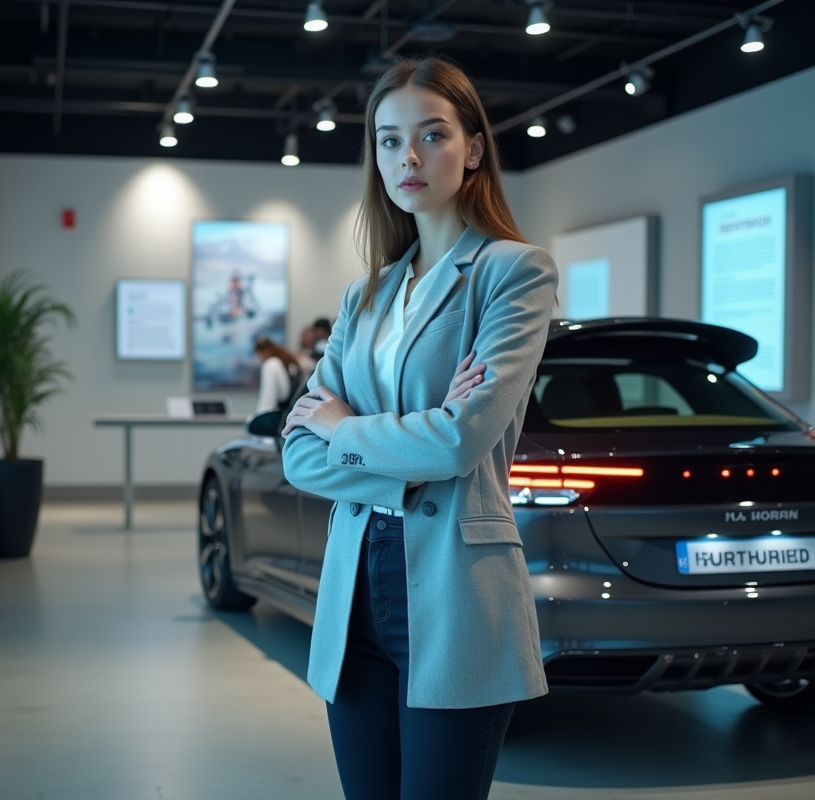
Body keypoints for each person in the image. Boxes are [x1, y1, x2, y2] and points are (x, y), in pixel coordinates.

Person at [281, 56, 557, 800]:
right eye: (388, 139)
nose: (408, 157)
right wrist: (390, 434)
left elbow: (463, 440)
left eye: (432, 135)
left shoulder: (514, 272)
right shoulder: (364, 296)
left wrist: (345, 422)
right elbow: (299, 454)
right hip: (355, 591)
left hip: (456, 588)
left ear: (472, 148)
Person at [254, 337, 302, 415]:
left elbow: (269, 397)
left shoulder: (270, 364)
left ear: (261, 352)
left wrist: (259, 417)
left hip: (279, 413)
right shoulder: (283, 361)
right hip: (292, 410)